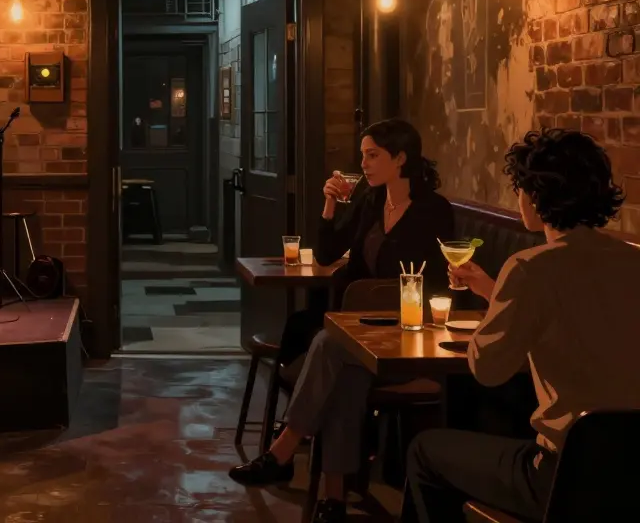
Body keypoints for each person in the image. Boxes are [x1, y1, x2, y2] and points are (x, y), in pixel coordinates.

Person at [402, 128, 640, 522]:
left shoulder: (531, 268)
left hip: (563, 475)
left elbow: (488, 368)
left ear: (533, 195)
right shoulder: (632, 261)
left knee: (425, 451)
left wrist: (494, 317)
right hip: (632, 474)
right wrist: (497, 294)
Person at [230, 119, 456, 523]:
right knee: (344, 377)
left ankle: (284, 450)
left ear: (401, 158)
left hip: (406, 336)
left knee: (329, 344)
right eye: (363, 155)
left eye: (373, 155)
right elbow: (327, 255)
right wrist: (330, 204)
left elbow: (434, 283)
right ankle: (332, 500)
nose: (364, 163)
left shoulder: (432, 211)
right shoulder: (372, 201)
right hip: (360, 331)